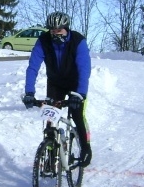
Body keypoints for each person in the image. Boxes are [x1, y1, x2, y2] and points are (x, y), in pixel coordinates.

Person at [22, 11, 92, 167]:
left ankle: (86, 148)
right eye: (52, 31)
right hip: (55, 83)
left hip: (75, 84)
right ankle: (50, 153)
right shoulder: (43, 41)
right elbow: (33, 67)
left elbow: (84, 69)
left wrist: (80, 94)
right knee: (50, 117)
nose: (55, 34)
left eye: (59, 30)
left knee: (77, 114)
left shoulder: (78, 41)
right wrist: (29, 92)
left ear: (66, 28)